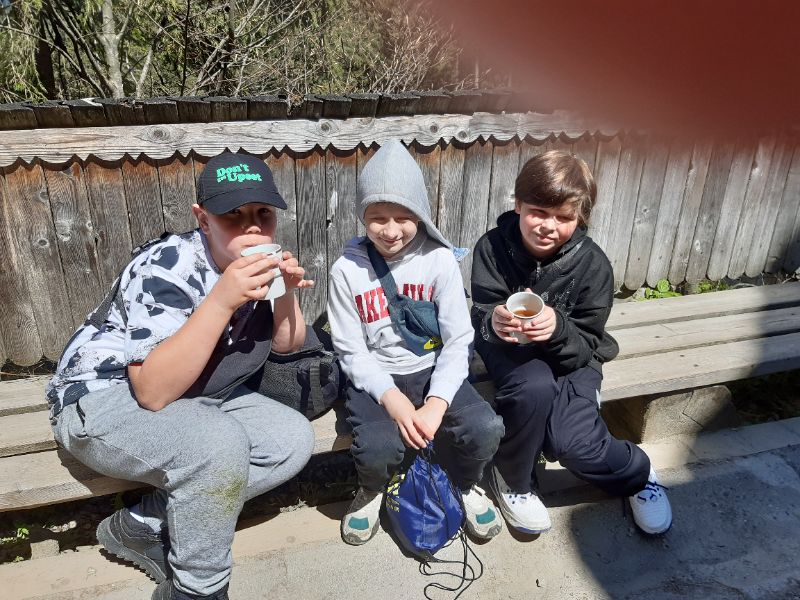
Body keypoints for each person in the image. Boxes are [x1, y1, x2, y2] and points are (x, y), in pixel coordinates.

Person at [46, 152, 316, 600]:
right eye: (233, 215)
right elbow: (151, 392)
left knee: (290, 439)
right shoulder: (166, 267)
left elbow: (288, 345)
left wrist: (284, 294)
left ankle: (143, 522)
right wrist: (222, 300)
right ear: (203, 219)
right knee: (217, 447)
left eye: (262, 214)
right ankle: (197, 589)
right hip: (100, 398)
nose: (252, 228)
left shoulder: (257, 265)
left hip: (194, 393)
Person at [470, 150, 672, 536]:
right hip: (512, 352)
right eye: (538, 212)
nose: (548, 226)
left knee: (573, 445)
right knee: (532, 387)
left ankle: (637, 473)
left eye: (563, 217)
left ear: (580, 217)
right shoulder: (492, 248)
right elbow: (481, 312)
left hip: (573, 358)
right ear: (518, 204)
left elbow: (586, 345)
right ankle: (513, 480)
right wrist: (493, 322)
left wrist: (557, 328)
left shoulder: (593, 265)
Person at [327, 139, 505, 545]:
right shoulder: (345, 270)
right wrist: (393, 400)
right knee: (376, 447)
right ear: (362, 215)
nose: (390, 231)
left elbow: (459, 340)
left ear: (421, 215)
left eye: (403, 217)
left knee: (484, 427)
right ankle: (372, 489)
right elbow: (350, 350)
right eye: (377, 218)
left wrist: (437, 403)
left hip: (431, 369)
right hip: (376, 378)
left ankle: (465, 483)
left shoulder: (438, 260)